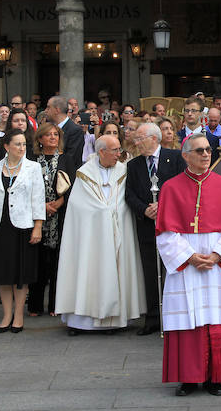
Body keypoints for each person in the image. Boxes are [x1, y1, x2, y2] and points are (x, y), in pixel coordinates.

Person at [156, 133, 221, 396]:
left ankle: (215, 378)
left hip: (217, 268)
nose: (206, 154)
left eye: (208, 150)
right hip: (187, 266)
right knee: (187, 318)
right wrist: (190, 257)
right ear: (186, 156)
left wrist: (218, 255)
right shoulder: (171, 188)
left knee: (218, 319)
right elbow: (165, 233)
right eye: (199, 151)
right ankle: (188, 377)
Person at [55, 134, 146, 334]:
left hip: (118, 231)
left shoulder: (124, 171)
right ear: (101, 152)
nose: (119, 155)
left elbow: (125, 199)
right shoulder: (83, 174)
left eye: (119, 150)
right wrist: (102, 213)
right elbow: (79, 206)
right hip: (90, 236)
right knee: (86, 270)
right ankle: (80, 321)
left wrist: (112, 213)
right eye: (114, 151)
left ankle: (114, 320)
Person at [0, 131, 44, 333]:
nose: (22, 148)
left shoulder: (33, 168)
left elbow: (38, 198)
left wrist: (38, 226)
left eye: (24, 144)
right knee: (4, 274)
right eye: (17, 144)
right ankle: (6, 314)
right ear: (6, 146)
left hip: (23, 226)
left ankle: (19, 315)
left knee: (20, 274)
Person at [126, 122, 186, 335]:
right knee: (151, 274)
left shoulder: (176, 157)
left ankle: (175, 317)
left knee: (173, 271)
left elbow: (183, 187)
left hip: (172, 225)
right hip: (147, 227)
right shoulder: (133, 165)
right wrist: (144, 209)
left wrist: (163, 205)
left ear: (154, 138)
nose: (136, 143)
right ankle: (153, 319)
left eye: (140, 139)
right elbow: (129, 194)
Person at [27, 123, 77, 317]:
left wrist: (60, 202)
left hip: (60, 216)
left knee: (57, 261)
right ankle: (35, 305)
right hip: (36, 216)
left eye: (55, 134)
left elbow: (73, 184)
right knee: (37, 261)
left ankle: (56, 305)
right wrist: (41, 206)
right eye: (48, 135)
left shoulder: (66, 159)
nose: (52, 138)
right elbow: (27, 186)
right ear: (40, 139)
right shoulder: (31, 160)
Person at [177, 98, 221, 162]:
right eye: (187, 110)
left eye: (193, 110)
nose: (189, 113)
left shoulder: (212, 139)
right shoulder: (176, 137)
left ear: (201, 113)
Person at [45, 96, 84, 166]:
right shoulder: (47, 128)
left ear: (57, 110)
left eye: (48, 107)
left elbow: (71, 158)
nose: (46, 110)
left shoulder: (75, 131)